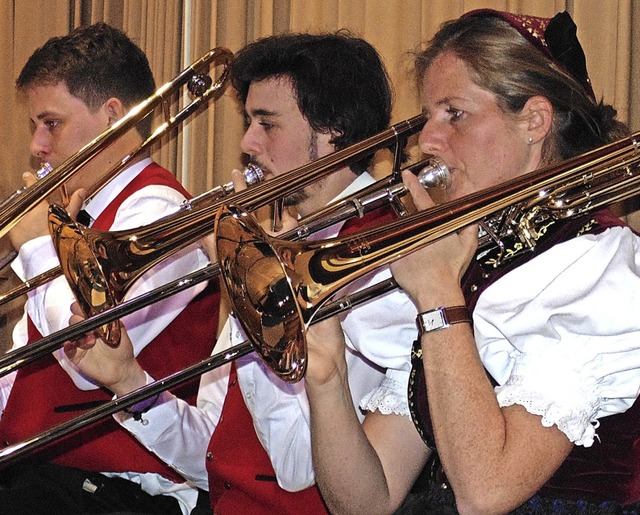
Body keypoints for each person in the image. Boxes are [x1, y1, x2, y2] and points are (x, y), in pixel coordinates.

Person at [63, 31, 424, 514]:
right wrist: (129, 383)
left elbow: (296, 469)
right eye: (249, 120)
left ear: (333, 128)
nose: (247, 142)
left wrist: (249, 283)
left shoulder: (375, 261)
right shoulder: (280, 237)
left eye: (267, 124)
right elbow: (215, 456)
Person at [301, 8, 640, 515]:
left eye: (453, 114)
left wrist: (438, 296)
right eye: (428, 118)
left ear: (534, 121)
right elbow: (367, 501)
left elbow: (486, 493)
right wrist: (326, 377)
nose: (427, 141)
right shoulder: (478, 258)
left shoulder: (598, 268)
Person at [0, 23, 220, 514]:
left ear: (113, 117)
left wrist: (37, 245)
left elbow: (92, 360)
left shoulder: (159, 211)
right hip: (43, 475)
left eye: (50, 123)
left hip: (116, 489)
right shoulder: (78, 215)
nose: (36, 145)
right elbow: (21, 375)